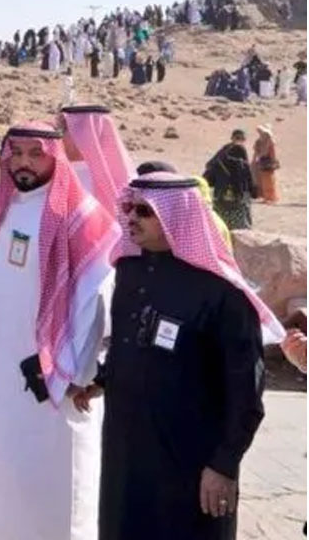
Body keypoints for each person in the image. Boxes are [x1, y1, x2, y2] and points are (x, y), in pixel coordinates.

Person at [98, 173, 282, 539]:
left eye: (145, 211)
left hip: (191, 462)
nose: (131, 217)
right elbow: (129, 345)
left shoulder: (222, 294)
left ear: (177, 216)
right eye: (129, 207)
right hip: (126, 453)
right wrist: (101, 379)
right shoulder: (130, 272)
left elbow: (246, 392)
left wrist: (224, 464)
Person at [0, 122, 119, 540]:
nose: (24, 162)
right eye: (16, 153)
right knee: (3, 468)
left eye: (35, 154)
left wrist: (79, 372)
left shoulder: (82, 216)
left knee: (58, 480)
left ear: (54, 157)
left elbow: (97, 302)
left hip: (58, 373)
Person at [58, 105, 134, 218]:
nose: (57, 136)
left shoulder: (123, 182)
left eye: (64, 130)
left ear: (84, 134)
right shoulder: (51, 172)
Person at [203, 133, 258, 230]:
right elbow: (250, 182)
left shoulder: (220, 162)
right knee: (240, 228)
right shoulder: (243, 164)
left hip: (221, 197)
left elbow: (208, 177)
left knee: (220, 226)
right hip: (239, 200)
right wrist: (253, 192)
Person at [252, 125, 279, 203]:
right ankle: (266, 197)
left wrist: (273, 162)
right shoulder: (259, 141)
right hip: (262, 162)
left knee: (269, 180)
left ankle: (271, 197)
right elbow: (256, 152)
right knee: (263, 180)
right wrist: (255, 160)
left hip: (268, 162)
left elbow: (270, 153)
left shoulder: (270, 142)